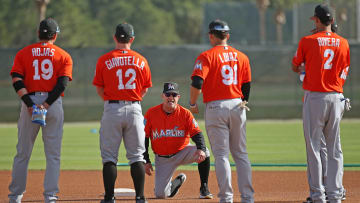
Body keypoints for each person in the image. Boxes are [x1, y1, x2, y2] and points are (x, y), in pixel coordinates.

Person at [189, 19, 254, 203]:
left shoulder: (207, 56)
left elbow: (197, 82)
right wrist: (243, 102)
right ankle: (248, 198)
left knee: (221, 155)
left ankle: (226, 198)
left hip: (216, 106)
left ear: (211, 35)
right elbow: (247, 85)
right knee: (241, 154)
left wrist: (192, 102)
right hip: (237, 105)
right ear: (227, 35)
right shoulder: (242, 56)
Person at [9, 18, 73, 203]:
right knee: (53, 155)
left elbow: (17, 80)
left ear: (39, 34)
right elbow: (62, 85)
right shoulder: (63, 55)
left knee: (22, 153)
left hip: (30, 102)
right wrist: (45, 105)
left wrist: (30, 104)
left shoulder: (23, 53)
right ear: (55, 35)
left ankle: (15, 196)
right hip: (52, 104)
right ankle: (50, 197)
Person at [292, 4, 350, 203]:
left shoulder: (308, 40)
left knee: (314, 148)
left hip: (315, 97)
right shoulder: (343, 43)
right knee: (334, 149)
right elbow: (344, 71)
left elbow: (295, 65)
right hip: (336, 96)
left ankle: (318, 196)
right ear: (332, 21)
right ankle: (335, 195)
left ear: (317, 20)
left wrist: (304, 69)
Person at [92, 23, 152, 203]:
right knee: (137, 156)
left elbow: (99, 89)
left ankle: (109, 198)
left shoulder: (104, 59)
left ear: (115, 37)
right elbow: (145, 89)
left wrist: (112, 101)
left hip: (112, 108)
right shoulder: (141, 59)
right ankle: (140, 197)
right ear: (132, 39)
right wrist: (132, 99)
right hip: (134, 108)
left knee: (110, 157)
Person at [143, 82, 213, 199]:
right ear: (163, 96)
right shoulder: (151, 113)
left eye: (174, 95)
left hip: (183, 152)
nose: (171, 98)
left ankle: (204, 188)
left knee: (205, 151)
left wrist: (200, 149)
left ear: (178, 97)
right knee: (160, 195)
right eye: (168, 94)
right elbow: (143, 138)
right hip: (162, 158)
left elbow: (197, 134)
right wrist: (146, 159)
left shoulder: (185, 113)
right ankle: (175, 183)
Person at [302, 22, 347, 203]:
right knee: (333, 147)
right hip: (337, 97)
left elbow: (305, 75)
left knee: (319, 147)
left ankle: (321, 192)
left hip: (319, 99)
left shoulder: (317, 49)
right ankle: (335, 190)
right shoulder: (340, 48)